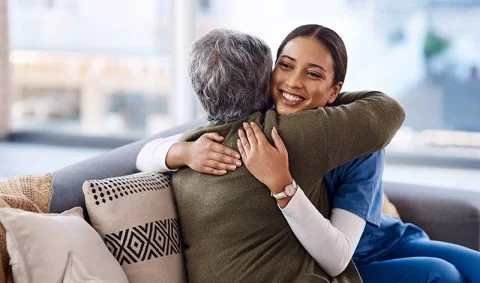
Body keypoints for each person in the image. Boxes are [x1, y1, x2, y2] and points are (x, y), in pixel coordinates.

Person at [139, 24, 480, 283]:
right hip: (340, 258)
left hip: (372, 241)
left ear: (335, 91)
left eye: (313, 74)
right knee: (442, 274)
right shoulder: (255, 126)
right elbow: (148, 153)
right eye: (285, 66)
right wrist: (181, 152)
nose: (294, 82)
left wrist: (283, 185)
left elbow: (383, 109)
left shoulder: (359, 137)